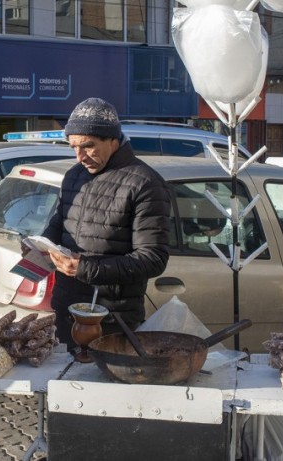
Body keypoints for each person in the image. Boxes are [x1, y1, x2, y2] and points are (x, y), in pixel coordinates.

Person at [39, 98, 171, 350]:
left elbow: (153, 258)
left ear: (113, 141)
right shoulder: (74, 175)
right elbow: (60, 221)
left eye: (88, 146)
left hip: (111, 318)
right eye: (74, 147)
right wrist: (42, 245)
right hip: (67, 309)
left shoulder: (145, 183)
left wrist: (85, 268)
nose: (79, 157)